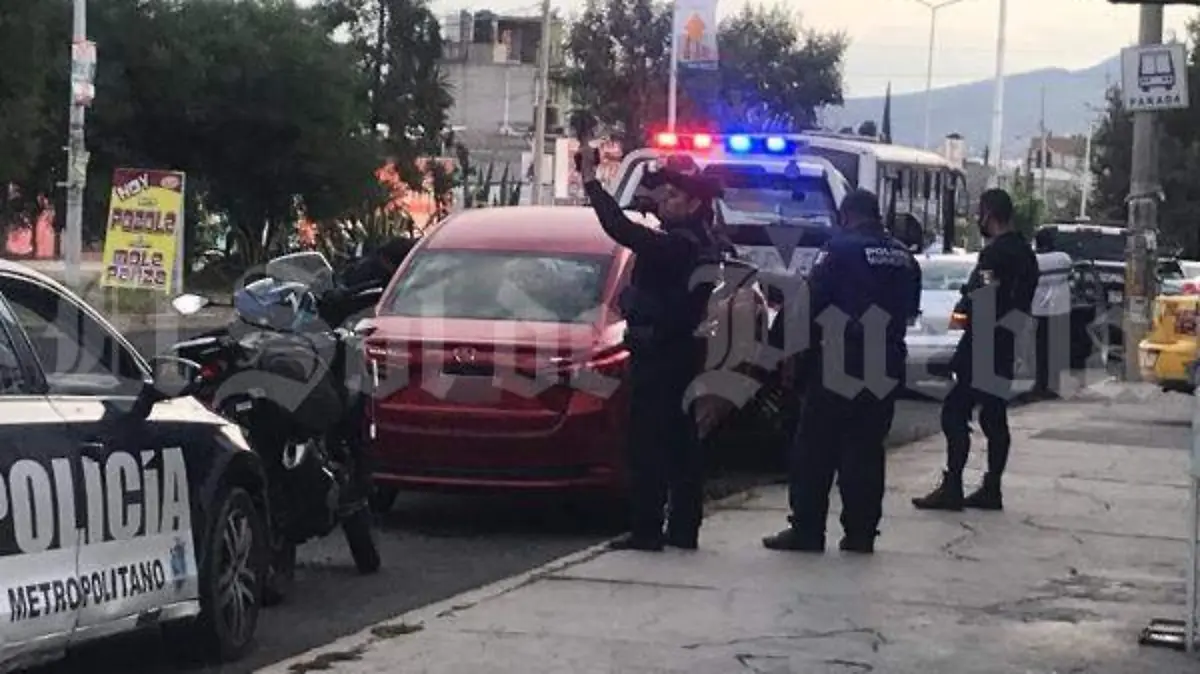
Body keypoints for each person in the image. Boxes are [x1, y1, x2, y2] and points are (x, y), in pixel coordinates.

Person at [578, 139, 723, 552]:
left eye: (676, 195)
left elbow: (620, 230)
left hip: (663, 354)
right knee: (680, 444)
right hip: (676, 351)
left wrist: (591, 182)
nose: (667, 200)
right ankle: (681, 528)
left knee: (648, 443)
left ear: (695, 204)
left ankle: (647, 530)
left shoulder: (681, 245)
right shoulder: (699, 238)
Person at [762, 189, 921, 555]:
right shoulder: (903, 256)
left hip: (840, 360)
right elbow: (909, 310)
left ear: (847, 216)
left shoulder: (840, 249)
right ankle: (861, 533)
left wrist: (778, 348)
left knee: (814, 448)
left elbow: (807, 301)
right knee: (865, 449)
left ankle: (807, 529)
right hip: (886, 359)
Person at [912, 188, 1038, 512]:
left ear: (990, 214)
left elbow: (983, 293)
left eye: (980, 213)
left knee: (954, 412)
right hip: (1007, 343)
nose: (977, 220)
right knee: (995, 418)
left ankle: (952, 484)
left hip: (983, 343)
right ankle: (992, 486)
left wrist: (965, 302)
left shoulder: (995, 255)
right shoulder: (1026, 254)